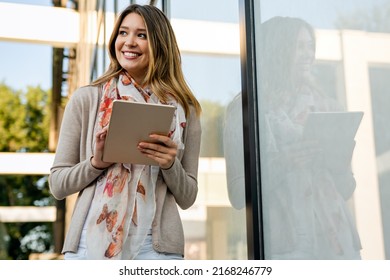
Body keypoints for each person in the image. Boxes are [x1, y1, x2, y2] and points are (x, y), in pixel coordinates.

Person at [49, 4, 202, 260]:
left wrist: (169, 165)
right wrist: (97, 163)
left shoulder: (186, 110)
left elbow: (188, 197)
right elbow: (57, 185)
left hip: (156, 250)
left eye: (142, 35)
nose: (129, 42)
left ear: (160, 45)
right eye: (123, 32)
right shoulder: (87, 99)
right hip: (90, 246)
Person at [224, 16, 362, 259]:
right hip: (287, 249)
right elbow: (237, 194)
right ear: (278, 50)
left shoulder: (328, 107)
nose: (308, 54)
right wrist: (284, 162)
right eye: (299, 47)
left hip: (338, 244)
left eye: (310, 46)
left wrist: (339, 165)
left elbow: (347, 188)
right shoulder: (246, 111)